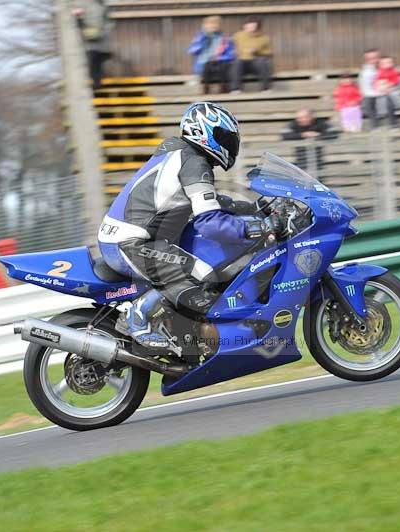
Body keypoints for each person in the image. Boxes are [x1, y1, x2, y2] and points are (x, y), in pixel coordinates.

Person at [98, 103, 262, 347]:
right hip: (130, 243)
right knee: (202, 271)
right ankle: (137, 317)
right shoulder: (194, 163)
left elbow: (208, 201)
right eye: (224, 138)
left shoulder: (180, 152)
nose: (229, 145)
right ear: (204, 132)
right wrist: (254, 228)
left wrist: (252, 209)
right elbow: (210, 224)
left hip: (124, 238)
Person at [188, 16, 236, 94]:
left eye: (214, 25)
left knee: (223, 66)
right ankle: (205, 89)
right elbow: (192, 51)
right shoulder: (199, 37)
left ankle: (223, 88)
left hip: (220, 63)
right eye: (209, 25)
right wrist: (202, 43)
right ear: (204, 26)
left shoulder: (224, 39)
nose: (212, 27)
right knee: (207, 65)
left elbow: (230, 55)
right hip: (204, 63)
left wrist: (219, 57)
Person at [72, 0, 112, 89]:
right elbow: (77, 18)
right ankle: (97, 82)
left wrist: (104, 31)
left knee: (96, 61)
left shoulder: (102, 5)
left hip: (99, 39)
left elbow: (108, 21)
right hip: (90, 38)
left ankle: (97, 82)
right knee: (94, 61)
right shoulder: (83, 3)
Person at [230, 17, 273, 93]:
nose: (250, 27)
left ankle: (266, 88)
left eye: (253, 26)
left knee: (262, 61)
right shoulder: (238, 36)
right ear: (244, 26)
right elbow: (231, 47)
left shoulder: (264, 38)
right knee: (237, 62)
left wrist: (257, 51)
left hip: (255, 63)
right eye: (248, 25)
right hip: (242, 62)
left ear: (257, 26)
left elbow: (269, 53)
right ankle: (236, 89)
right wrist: (235, 52)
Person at [374, 56, 400, 129]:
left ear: (392, 63)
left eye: (389, 62)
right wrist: (380, 87)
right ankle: (381, 111)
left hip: (392, 88)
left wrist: (391, 84)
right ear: (380, 65)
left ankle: (399, 108)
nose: (387, 64)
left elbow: (398, 79)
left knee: (396, 95)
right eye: (384, 63)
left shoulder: (394, 71)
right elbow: (377, 81)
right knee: (380, 98)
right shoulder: (380, 72)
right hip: (383, 89)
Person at [359, 49, 383, 130]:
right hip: (370, 94)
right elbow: (363, 85)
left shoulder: (384, 68)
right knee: (368, 102)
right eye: (369, 59)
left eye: (375, 58)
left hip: (383, 93)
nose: (373, 61)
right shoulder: (364, 71)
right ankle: (375, 126)